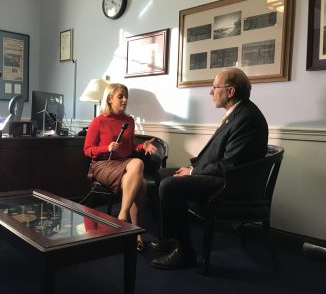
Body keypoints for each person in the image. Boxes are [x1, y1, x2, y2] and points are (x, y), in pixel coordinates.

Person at [150, 68, 268, 269]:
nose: (210, 92)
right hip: (224, 176)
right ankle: (171, 238)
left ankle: (185, 252)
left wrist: (193, 172)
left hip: (231, 185)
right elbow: (219, 156)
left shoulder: (247, 117)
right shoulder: (238, 113)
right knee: (162, 174)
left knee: (170, 185)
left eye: (214, 87)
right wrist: (192, 168)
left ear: (230, 92)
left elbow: (230, 164)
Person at [83, 83, 157, 251]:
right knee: (138, 168)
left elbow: (130, 148)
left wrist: (142, 146)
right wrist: (106, 148)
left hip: (123, 163)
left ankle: (134, 233)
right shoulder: (98, 121)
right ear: (109, 99)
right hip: (102, 164)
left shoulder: (129, 120)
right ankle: (123, 218)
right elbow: (87, 150)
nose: (125, 99)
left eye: (126, 96)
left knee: (141, 184)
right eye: (120, 96)